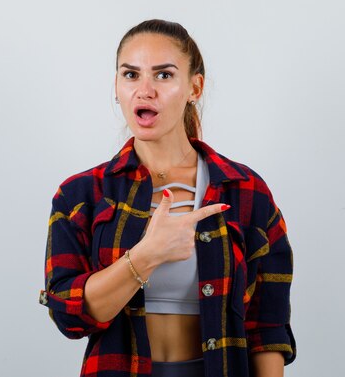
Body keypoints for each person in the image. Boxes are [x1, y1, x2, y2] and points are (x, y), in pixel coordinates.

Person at [39, 19, 296, 377]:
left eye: (163, 76)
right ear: (116, 86)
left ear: (194, 87)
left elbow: (266, 328)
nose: (144, 90)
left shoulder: (245, 190)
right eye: (130, 75)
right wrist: (147, 255)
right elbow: (68, 315)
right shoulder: (81, 194)